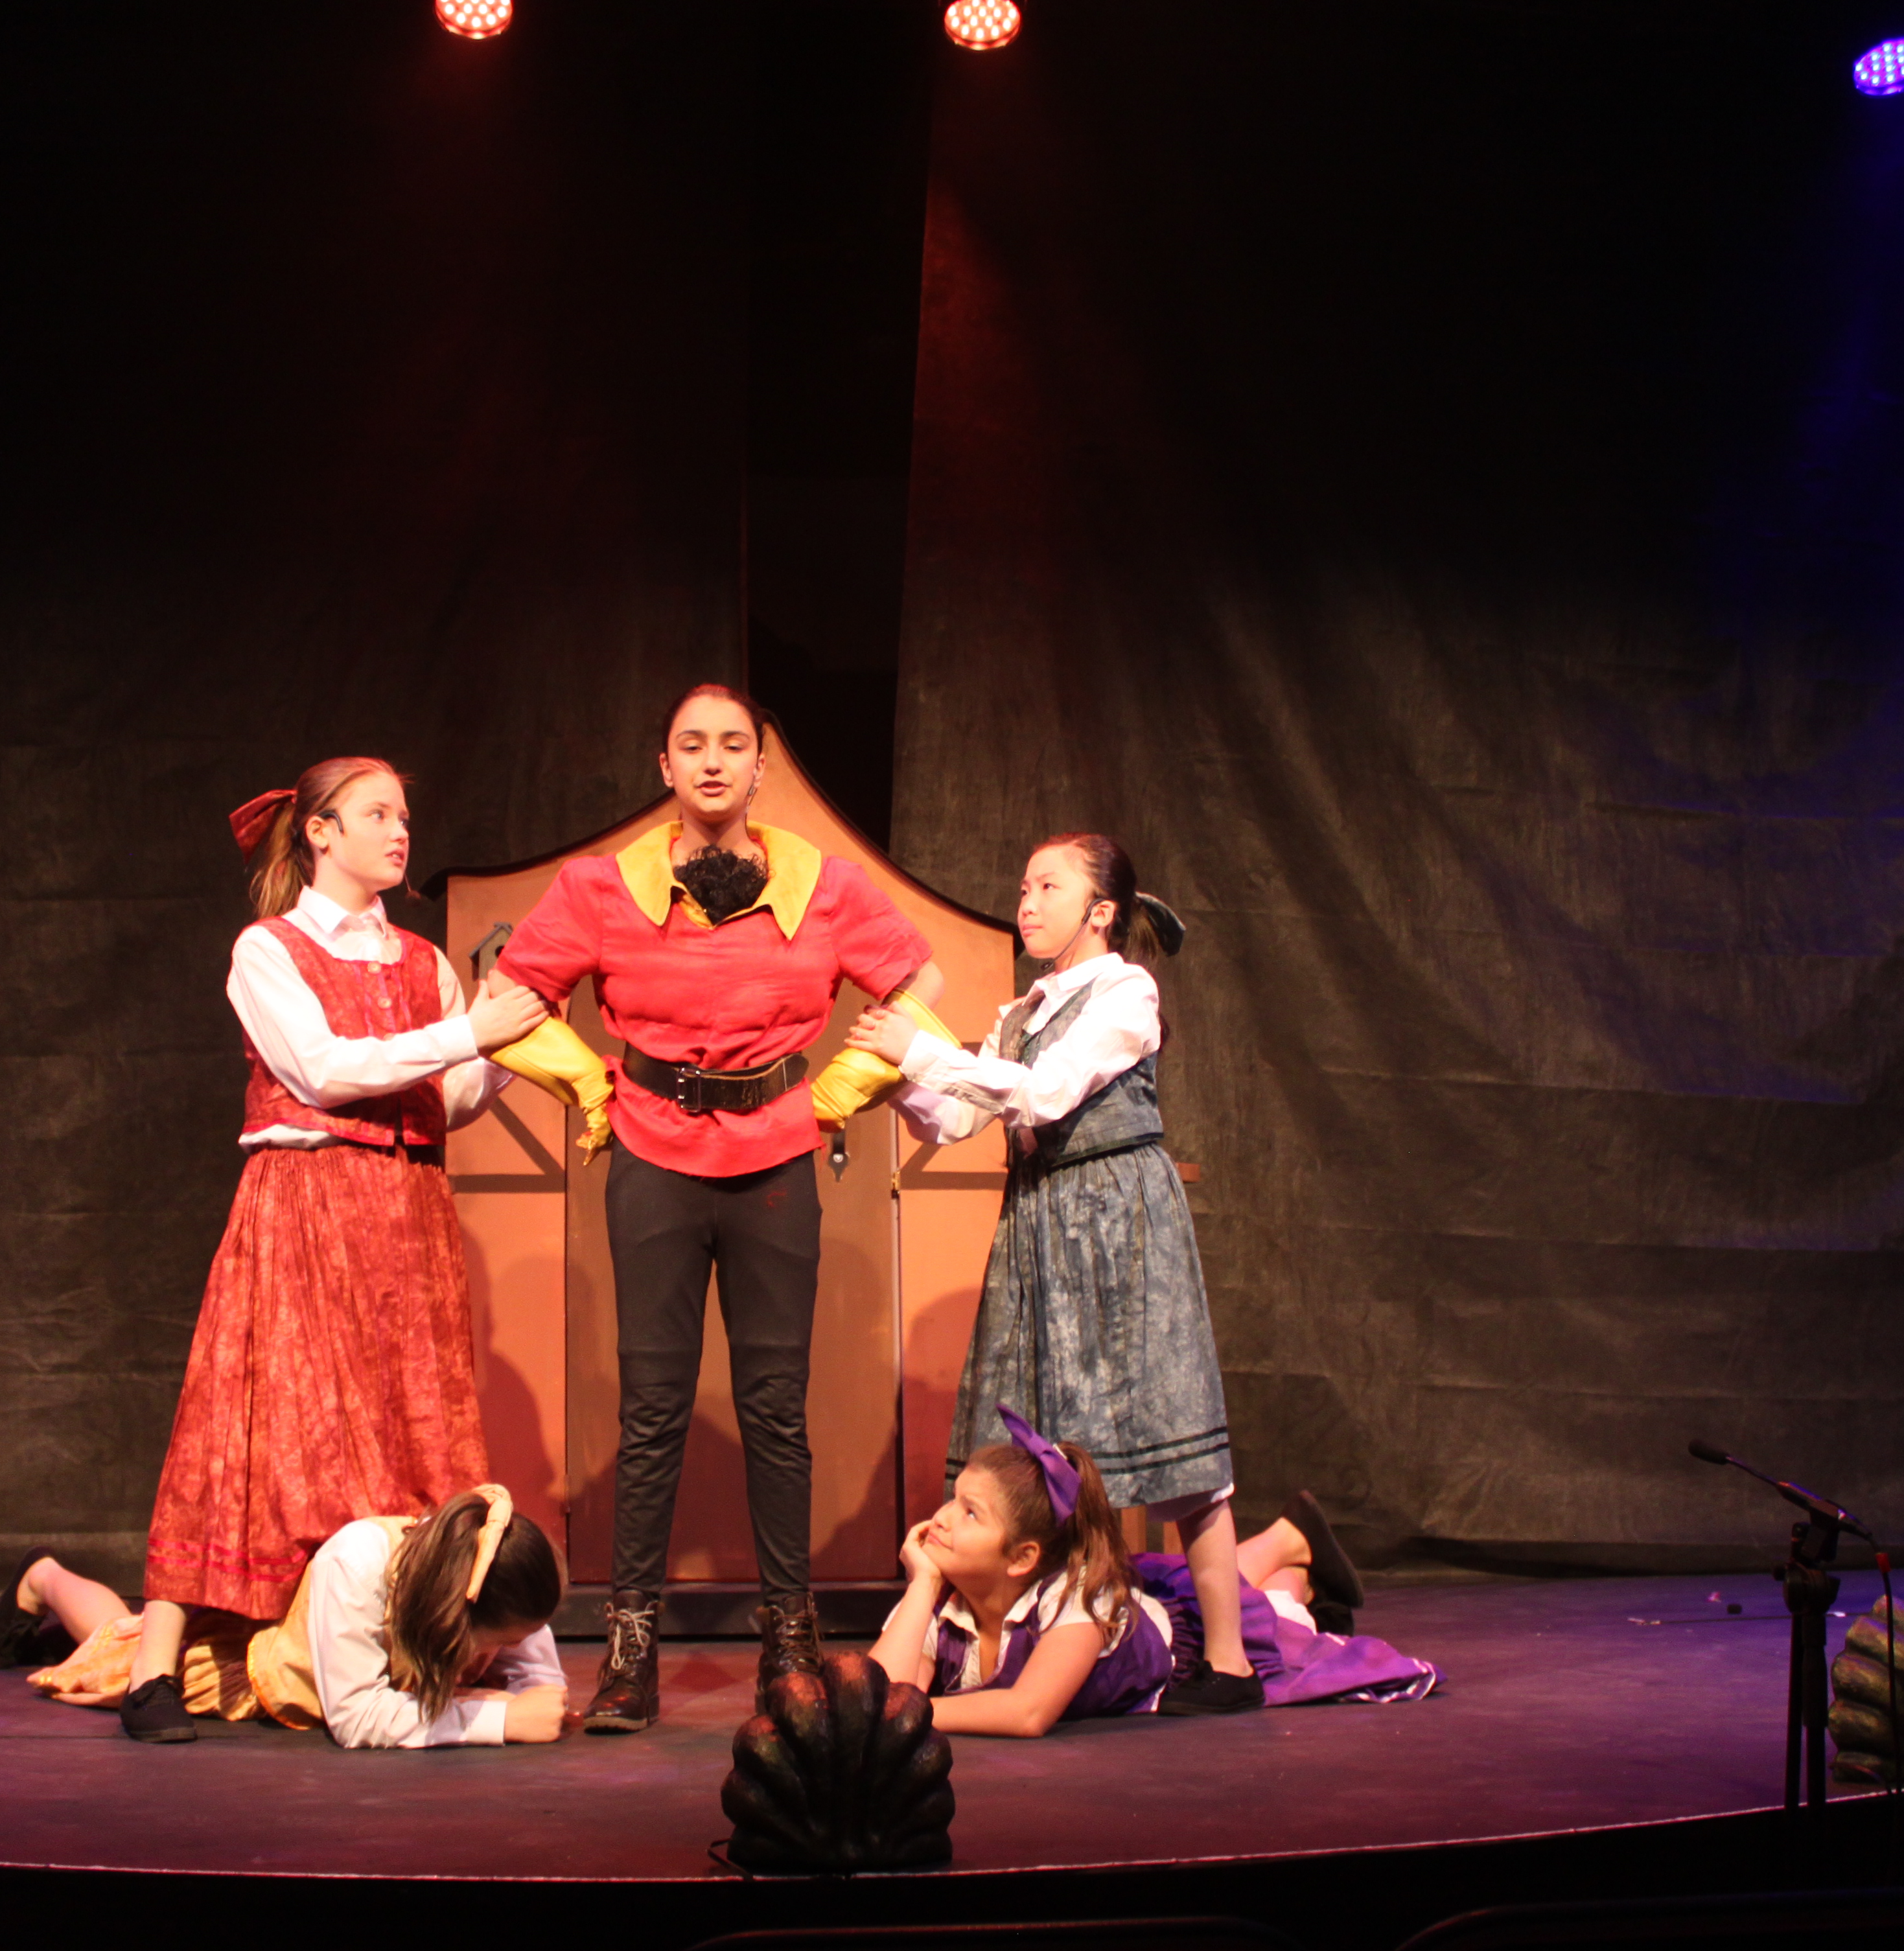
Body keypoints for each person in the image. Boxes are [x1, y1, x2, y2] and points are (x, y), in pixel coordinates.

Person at [479, 682, 953, 1734]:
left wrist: (835, 1093)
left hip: (775, 1157)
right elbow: (508, 1000)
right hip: (654, 1156)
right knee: (651, 1410)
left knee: (775, 1409)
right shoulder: (603, 886)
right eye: (691, 744)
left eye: (732, 744)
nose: (711, 761)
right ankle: (630, 1654)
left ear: (758, 767)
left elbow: (917, 987)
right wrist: (589, 1085)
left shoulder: (824, 884)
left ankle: (789, 1645)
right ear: (664, 766)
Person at [117, 758, 552, 1743]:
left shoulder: (423, 961)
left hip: (407, 1212)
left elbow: (446, 1098)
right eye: (376, 814)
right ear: (320, 832)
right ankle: (151, 1667)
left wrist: (503, 1049)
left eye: (404, 815)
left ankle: (389, 1644)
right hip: (305, 1205)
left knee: (410, 1430)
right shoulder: (266, 950)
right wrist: (467, 1032)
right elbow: (321, 1072)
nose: (400, 832)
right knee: (250, 1425)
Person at [850, 831, 1263, 1712]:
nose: (1027, 903)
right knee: (1043, 1445)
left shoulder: (1126, 991)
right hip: (1040, 1223)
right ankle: (1057, 1647)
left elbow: (1045, 1094)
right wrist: (893, 1075)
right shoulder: (1020, 1014)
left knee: (1170, 1433)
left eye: (1048, 887)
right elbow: (959, 1119)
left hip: (1119, 1221)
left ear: (1100, 911)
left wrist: (922, 1052)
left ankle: (1230, 1664)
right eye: (1024, 887)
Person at [861, 1414, 1434, 1738]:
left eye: (970, 1513)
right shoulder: (945, 1599)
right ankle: (1289, 1547)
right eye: (953, 1499)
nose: (942, 1518)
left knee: (1282, 1622)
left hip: (1166, 1638)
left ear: (1021, 1558)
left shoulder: (1074, 1602)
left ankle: (1294, 1568)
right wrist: (922, 1585)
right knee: (1251, 1592)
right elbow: (872, 1699)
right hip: (1127, 1595)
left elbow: (1028, 1712)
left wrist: (914, 1713)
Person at [0, 1486, 573, 1748]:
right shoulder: (360, 1564)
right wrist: (497, 1718)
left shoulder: (482, 1565)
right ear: (455, 1616)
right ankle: (43, 1576)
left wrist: (536, 1690)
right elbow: (356, 1717)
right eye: (496, 1646)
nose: (498, 1659)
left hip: (325, 1665)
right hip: (254, 1670)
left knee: (126, 1630)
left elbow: (538, 1676)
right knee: (116, 1648)